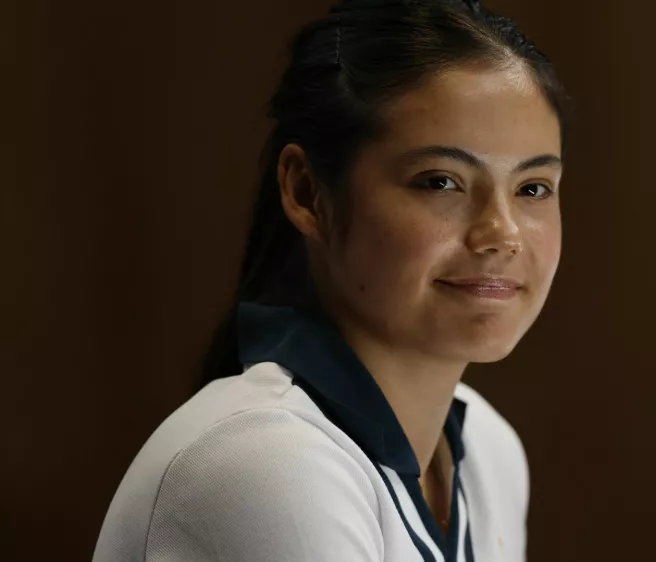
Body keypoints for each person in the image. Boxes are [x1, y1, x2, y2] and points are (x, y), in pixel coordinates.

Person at [93, 0, 569, 560]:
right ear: (306, 193)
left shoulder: (489, 451)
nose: (501, 233)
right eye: (440, 181)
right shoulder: (268, 462)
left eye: (533, 188)